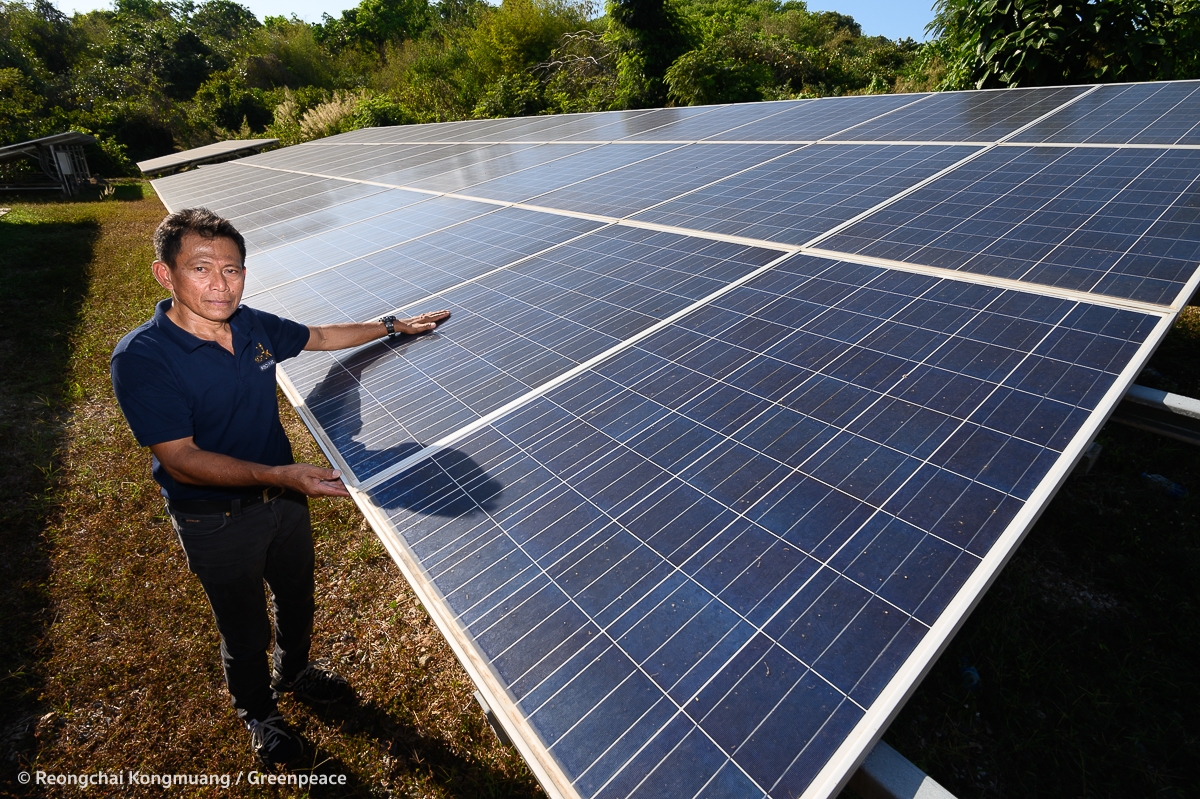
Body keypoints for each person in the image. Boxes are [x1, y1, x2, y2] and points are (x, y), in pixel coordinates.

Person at [110, 208, 450, 767]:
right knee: (243, 625)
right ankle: (260, 713)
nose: (221, 284)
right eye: (201, 268)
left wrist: (391, 326)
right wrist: (280, 475)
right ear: (164, 274)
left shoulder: (250, 324)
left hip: (286, 502)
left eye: (233, 269)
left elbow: (317, 336)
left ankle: (295, 672)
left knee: (297, 598)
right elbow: (182, 458)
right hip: (214, 518)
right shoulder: (143, 358)